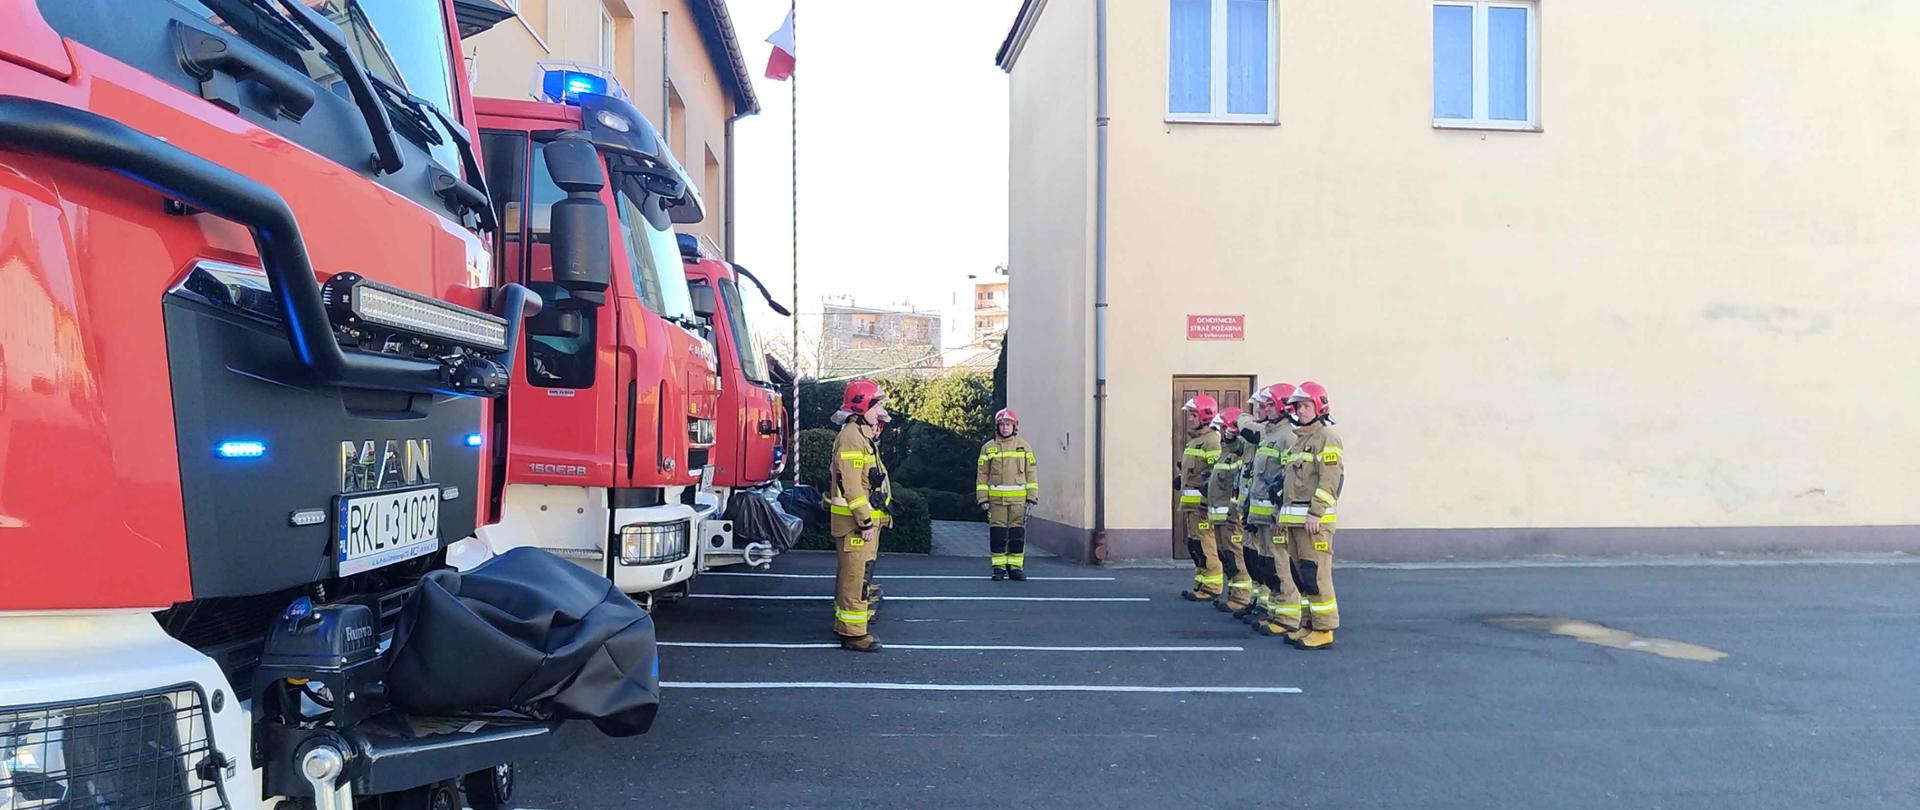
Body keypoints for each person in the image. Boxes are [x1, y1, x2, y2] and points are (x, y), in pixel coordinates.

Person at [827, 380, 893, 652]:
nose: (880, 411)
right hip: (855, 525)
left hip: (862, 523)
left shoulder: (860, 435)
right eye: (876, 405)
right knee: (855, 577)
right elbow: (853, 485)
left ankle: (849, 625)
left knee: (858, 575)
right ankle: (853, 635)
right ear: (862, 405)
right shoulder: (853, 437)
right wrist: (864, 520)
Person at [1280, 381, 1343, 650]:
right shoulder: (1300, 440)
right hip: (1295, 522)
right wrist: (1282, 519)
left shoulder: (1327, 437)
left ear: (1319, 406)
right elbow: (1291, 485)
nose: (1301, 411)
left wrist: (1316, 512)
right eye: (1298, 406)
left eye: (1306, 405)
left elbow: (1330, 480)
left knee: (1316, 576)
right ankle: (1307, 623)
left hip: (1313, 522)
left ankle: (1324, 628)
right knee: (1301, 576)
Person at [1243, 383, 1308, 637]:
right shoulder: (1270, 435)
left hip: (1275, 517)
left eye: (1269, 404)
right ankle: (1275, 612)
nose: (1264, 409)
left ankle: (1288, 617)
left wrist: (1281, 511)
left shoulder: (1287, 437)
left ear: (1281, 405)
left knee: (1281, 565)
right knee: (1268, 565)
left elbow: (1286, 479)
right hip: (1262, 515)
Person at [976, 408, 1039, 580]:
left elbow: (1031, 473)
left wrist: (1032, 497)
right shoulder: (988, 448)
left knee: (1017, 536)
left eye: (1008, 424)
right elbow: (982, 475)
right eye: (1002, 424)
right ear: (997, 426)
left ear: (1014, 427)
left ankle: (1016, 568)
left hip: (1018, 502)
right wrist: (983, 499)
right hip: (996, 502)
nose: (1005, 428)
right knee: (998, 535)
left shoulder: (1024, 447)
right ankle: (998, 568)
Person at [1176, 395, 1223, 601]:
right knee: (1195, 546)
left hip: (1202, 507)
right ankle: (1202, 582)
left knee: (1206, 545)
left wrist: (1207, 502)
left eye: (1194, 414)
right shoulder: (1195, 441)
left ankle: (1212, 586)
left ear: (1205, 415)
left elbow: (1215, 474)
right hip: (1191, 507)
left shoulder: (1212, 441)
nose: (1190, 418)